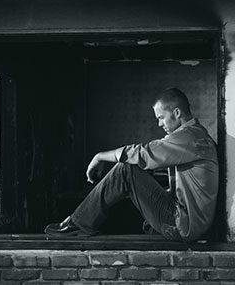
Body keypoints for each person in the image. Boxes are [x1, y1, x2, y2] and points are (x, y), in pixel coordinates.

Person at [45, 88, 219, 242]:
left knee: (126, 168)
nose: (159, 124)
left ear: (177, 113)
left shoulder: (190, 138)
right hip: (189, 223)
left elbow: (144, 153)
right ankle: (84, 223)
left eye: (161, 118)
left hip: (186, 227)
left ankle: (78, 223)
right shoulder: (195, 136)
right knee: (139, 171)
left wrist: (99, 157)